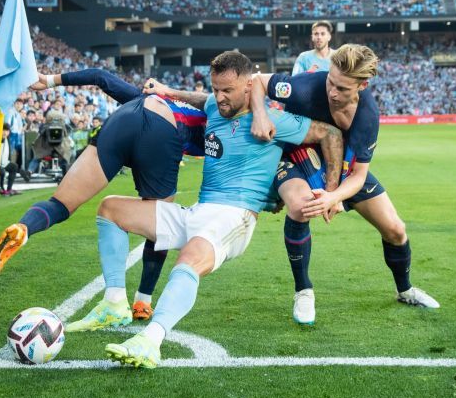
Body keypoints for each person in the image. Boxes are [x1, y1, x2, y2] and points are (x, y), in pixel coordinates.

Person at [73, 51, 343, 369]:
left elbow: (331, 133)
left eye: (227, 90)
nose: (220, 97)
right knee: (111, 209)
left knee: (188, 259)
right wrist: (169, 91)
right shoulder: (217, 103)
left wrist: (332, 190)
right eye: (216, 88)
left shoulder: (275, 121)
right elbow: (203, 100)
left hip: (235, 217)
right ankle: (115, 302)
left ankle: (151, 340)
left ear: (249, 87)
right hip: (198, 212)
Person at [0, 67, 208, 322]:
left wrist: (48, 81)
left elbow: (99, 76)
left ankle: (23, 228)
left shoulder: (153, 95)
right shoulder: (215, 119)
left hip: (123, 121)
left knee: (60, 204)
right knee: (161, 223)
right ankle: (142, 302)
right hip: (164, 135)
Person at [250, 43, 440, 325]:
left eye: (342, 89)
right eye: (331, 82)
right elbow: (256, 81)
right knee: (302, 207)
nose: (332, 92)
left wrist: (334, 196)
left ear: (362, 86)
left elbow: (359, 176)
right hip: (295, 154)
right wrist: (260, 114)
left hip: (343, 169)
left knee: (396, 230)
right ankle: (303, 290)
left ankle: (405, 289)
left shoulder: (368, 116)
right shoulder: (305, 87)